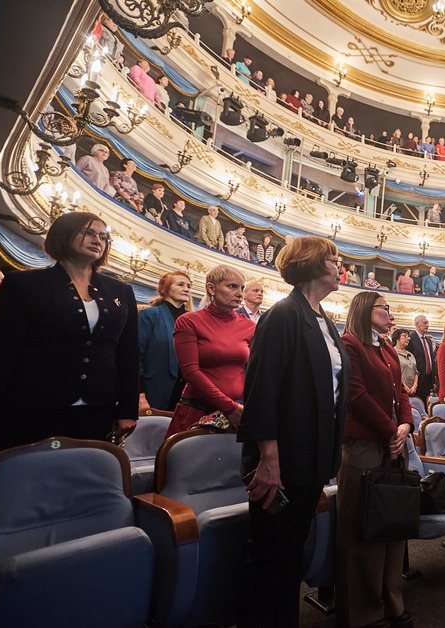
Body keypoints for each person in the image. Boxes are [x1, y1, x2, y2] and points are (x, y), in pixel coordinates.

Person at [237, 237, 347, 627]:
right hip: (282, 459)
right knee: (269, 554)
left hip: (312, 455)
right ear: (315, 265)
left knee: (291, 550)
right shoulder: (284, 314)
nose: (340, 267)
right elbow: (261, 390)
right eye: (335, 260)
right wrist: (268, 459)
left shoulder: (324, 319)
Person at [0, 212, 138, 451]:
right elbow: (1, 356)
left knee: (84, 482)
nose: (98, 239)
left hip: (97, 409)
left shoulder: (120, 290)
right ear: (63, 235)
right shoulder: (23, 285)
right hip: (32, 408)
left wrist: (128, 409)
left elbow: (128, 354)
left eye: (103, 236)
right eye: (88, 232)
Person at [335, 291, 413, 627]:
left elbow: (402, 393)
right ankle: (364, 613)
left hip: (392, 443)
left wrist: (406, 425)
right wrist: (390, 431)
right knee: (362, 530)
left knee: (392, 525)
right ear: (367, 309)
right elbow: (356, 395)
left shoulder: (386, 347)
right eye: (385, 307)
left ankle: (392, 602)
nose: (390, 313)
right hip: (365, 444)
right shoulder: (349, 343)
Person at [164, 265, 256, 437]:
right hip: (198, 410)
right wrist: (229, 407)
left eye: (242, 288)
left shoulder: (249, 326)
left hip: (238, 412)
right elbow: (190, 372)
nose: (240, 294)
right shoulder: (189, 321)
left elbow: (253, 371)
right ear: (211, 288)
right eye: (232, 286)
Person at [138, 271, 192, 412]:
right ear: (164, 289)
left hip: (185, 395)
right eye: (180, 284)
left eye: (188, 286)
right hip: (153, 391)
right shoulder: (149, 315)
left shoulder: (193, 320)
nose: (186, 289)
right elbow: (135, 357)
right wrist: (139, 394)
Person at [408, 315, 437, 402]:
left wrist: (433, 381)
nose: (427, 325)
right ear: (417, 324)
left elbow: (431, 360)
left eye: (427, 323)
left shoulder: (428, 340)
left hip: (428, 380)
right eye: (425, 323)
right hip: (416, 380)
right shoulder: (411, 338)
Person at [393, 328, 418, 397]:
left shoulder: (411, 355)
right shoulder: (392, 353)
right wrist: (404, 387)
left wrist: (415, 385)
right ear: (397, 338)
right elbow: (392, 373)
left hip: (412, 390)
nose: (408, 339)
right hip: (398, 391)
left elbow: (416, 372)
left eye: (408, 337)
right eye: (404, 336)